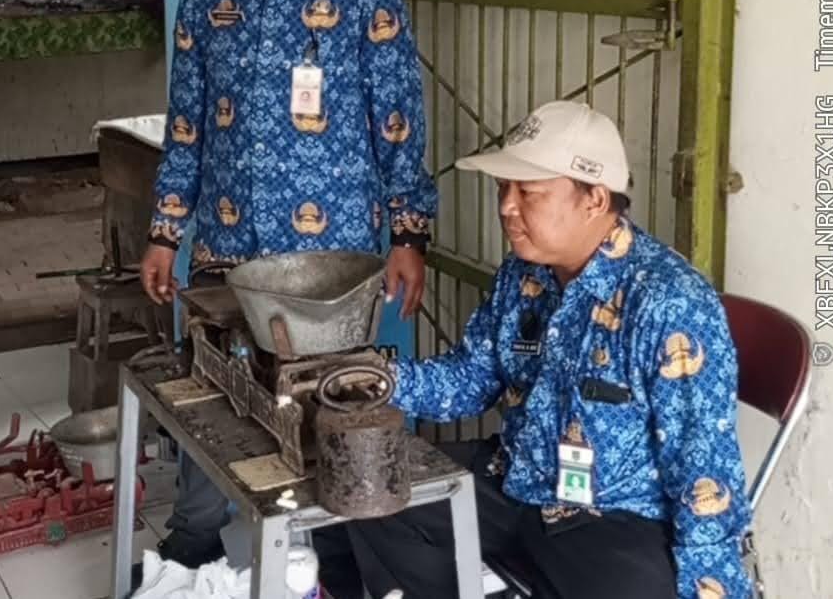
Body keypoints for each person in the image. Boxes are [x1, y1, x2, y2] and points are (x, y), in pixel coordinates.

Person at [138, 0, 437, 571]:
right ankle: (195, 539)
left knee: (330, 402)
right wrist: (165, 231)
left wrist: (409, 235)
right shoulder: (206, 0)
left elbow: (398, 123)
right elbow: (186, 128)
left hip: (327, 263)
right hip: (227, 248)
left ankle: (341, 554)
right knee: (216, 395)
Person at [316, 101, 756, 599]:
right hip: (515, 475)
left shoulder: (669, 303)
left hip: (611, 516)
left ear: (594, 200)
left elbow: (702, 465)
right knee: (367, 489)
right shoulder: (525, 273)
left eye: (528, 192)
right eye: (504, 189)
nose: (507, 206)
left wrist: (713, 584)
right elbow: (471, 377)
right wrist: (375, 377)